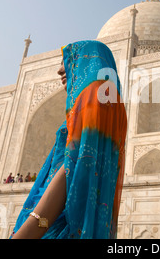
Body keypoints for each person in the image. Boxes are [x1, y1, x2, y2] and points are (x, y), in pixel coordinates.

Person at [11, 40, 127, 239]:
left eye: (69, 59)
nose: (60, 69)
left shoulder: (91, 104)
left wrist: (25, 233)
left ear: (88, 64)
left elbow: (72, 169)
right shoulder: (110, 110)